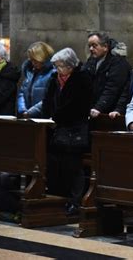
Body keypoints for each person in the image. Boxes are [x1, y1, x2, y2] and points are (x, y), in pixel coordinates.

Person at [41, 47, 92, 216]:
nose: (57, 69)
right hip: (56, 128)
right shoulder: (54, 79)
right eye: (56, 66)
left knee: (73, 166)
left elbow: (78, 106)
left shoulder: (82, 79)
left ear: (70, 66)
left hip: (74, 128)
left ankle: (75, 201)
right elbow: (47, 100)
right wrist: (48, 117)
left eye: (60, 66)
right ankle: (58, 197)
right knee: (55, 163)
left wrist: (57, 118)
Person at [84, 31, 131, 119]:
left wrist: (99, 107)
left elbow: (112, 88)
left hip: (110, 113)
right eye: (89, 46)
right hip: (93, 110)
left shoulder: (118, 64)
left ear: (105, 47)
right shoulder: (91, 61)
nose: (90, 49)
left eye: (94, 46)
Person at [17, 42, 55, 118]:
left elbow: (49, 97)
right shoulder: (29, 72)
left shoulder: (53, 73)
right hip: (27, 116)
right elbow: (22, 92)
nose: (33, 63)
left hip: (44, 117)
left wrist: (31, 112)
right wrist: (23, 109)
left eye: (36, 60)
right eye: (31, 60)